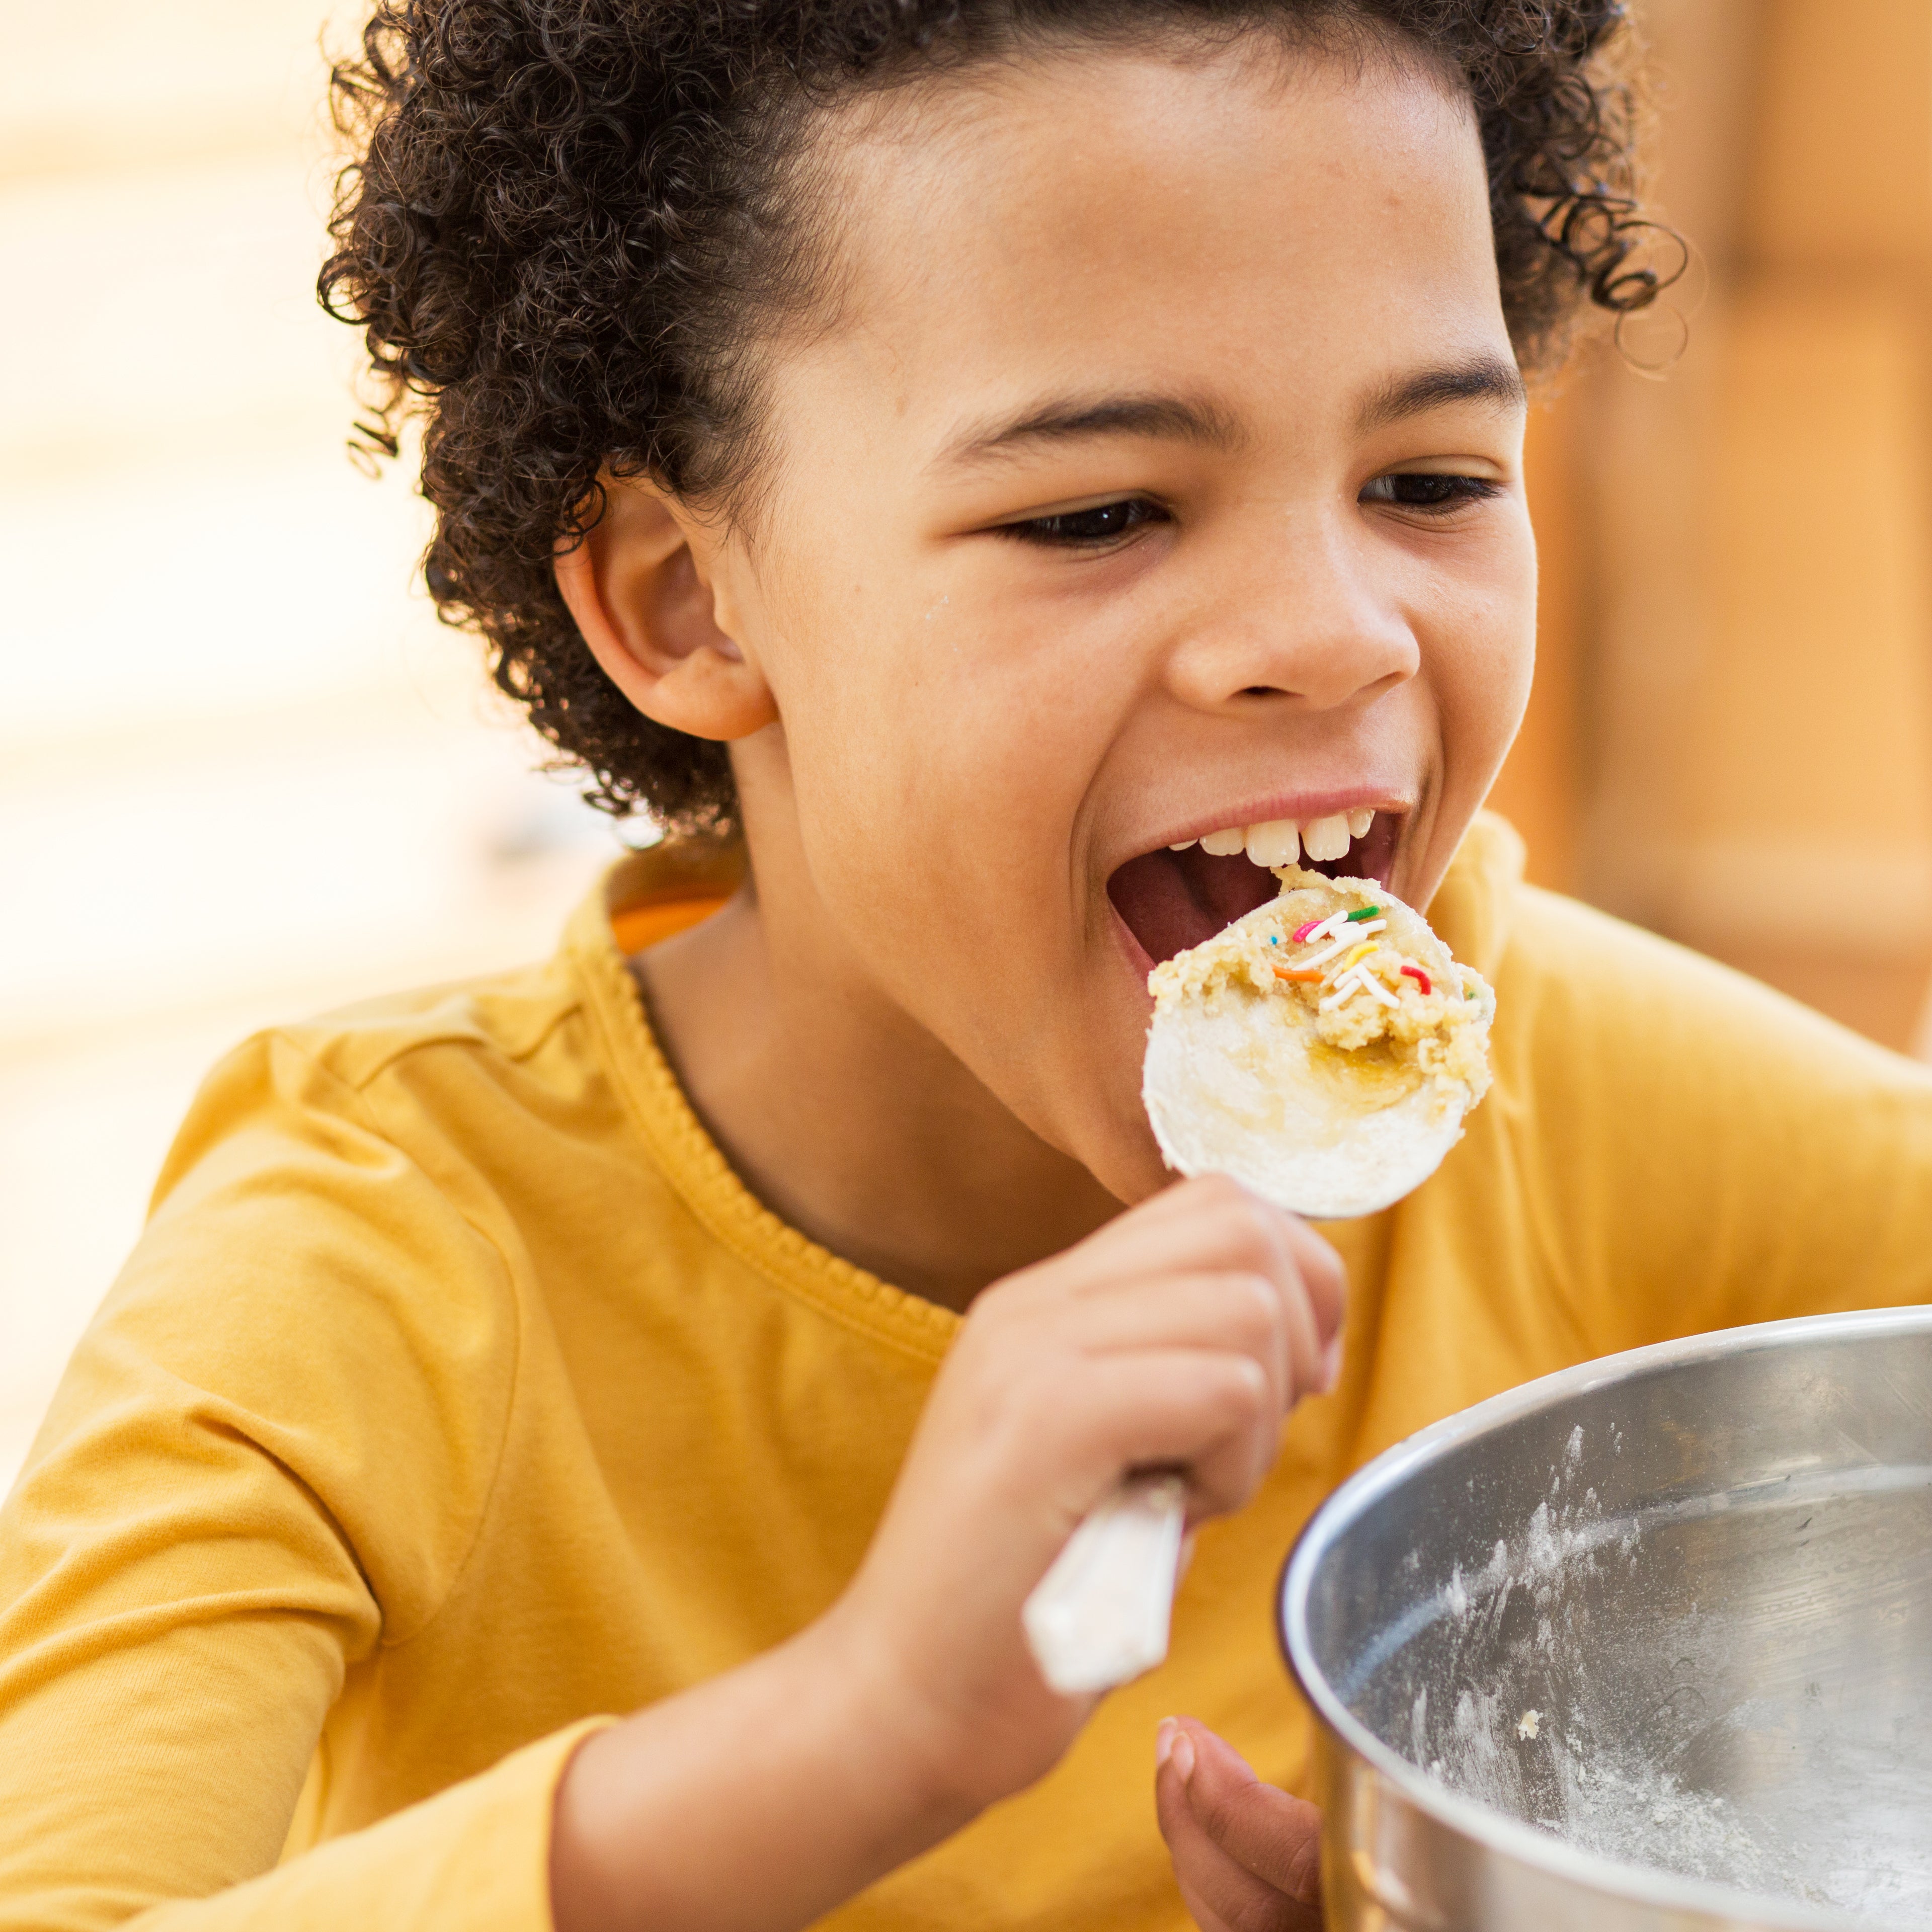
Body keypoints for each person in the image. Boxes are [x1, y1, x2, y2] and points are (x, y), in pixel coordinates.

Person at [5, 2, 1931, 1928]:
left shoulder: (1593, 1112)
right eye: (1099, 512)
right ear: (692, 600)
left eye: (1429, 479)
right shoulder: (377, 1267)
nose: (1333, 635)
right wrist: (862, 1734)